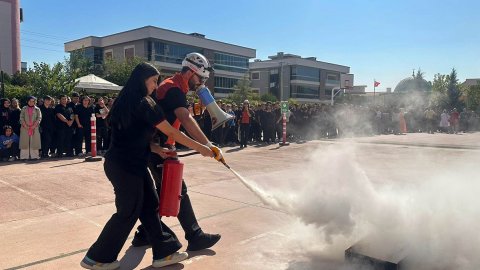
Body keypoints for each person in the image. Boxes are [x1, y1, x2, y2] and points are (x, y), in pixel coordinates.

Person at [80, 62, 214, 270]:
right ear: (141, 80)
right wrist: (202, 147)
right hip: (125, 167)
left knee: (150, 205)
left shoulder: (125, 102)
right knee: (128, 211)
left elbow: (129, 135)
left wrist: (155, 148)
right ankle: (98, 257)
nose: (155, 86)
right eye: (153, 81)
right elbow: (172, 132)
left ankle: (165, 251)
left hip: (132, 163)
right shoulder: (144, 103)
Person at [132, 53, 224, 252]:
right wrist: (207, 145)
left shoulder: (175, 86)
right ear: (191, 72)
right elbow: (185, 119)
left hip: (160, 145)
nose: (201, 83)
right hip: (159, 148)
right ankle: (195, 236)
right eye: (201, 78)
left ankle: (143, 234)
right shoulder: (173, 88)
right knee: (177, 190)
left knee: (163, 191)